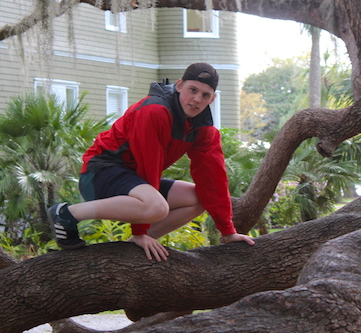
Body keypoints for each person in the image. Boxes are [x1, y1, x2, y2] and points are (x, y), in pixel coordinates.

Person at [47, 62, 255, 262]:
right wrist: (140, 229)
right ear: (179, 85)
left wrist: (228, 232)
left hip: (133, 182)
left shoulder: (204, 131)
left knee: (198, 198)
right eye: (192, 90)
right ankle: (66, 214)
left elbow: (213, 179)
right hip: (99, 174)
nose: (197, 99)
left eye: (205, 95)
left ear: (212, 99)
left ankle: (134, 246)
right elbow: (149, 166)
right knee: (157, 207)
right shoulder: (154, 111)